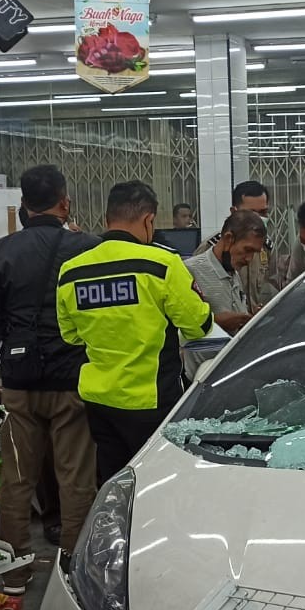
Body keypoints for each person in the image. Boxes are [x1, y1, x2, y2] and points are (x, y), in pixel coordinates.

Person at [0, 165, 99, 585]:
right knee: (75, 480)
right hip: (73, 381)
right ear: (65, 202)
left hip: (20, 383)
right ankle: (73, 571)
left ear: (22, 205)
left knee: (17, 480)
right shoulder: (87, 248)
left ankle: (14, 572)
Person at [57, 180, 212, 483]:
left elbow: (70, 335)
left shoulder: (72, 270)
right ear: (148, 220)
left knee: (115, 483)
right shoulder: (162, 264)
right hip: (151, 400)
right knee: (156, 483)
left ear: (107, 220)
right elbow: (198, 325)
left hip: (99, 401)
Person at [183, 211, 265, 378]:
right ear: (228, 239)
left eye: (254, 253)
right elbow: (177, 327)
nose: (249, 259)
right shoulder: (189, 271)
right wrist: (216, 323)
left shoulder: (233, 272)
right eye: (247, 250)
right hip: (200, 380)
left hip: (231, 374)